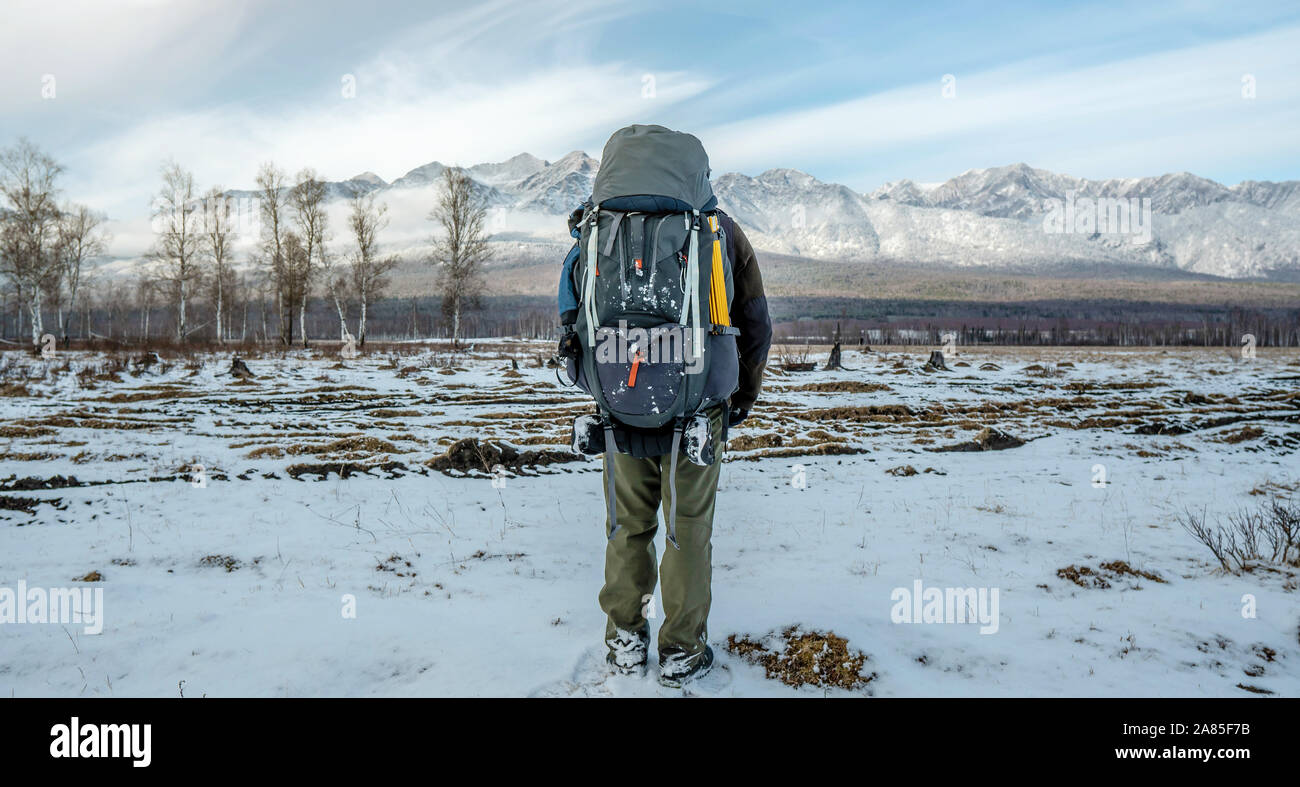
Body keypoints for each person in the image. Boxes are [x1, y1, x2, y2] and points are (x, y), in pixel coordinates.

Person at [557, 147, 772, 686]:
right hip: (699, 408)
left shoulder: (597, 226)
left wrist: (602, 389)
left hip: (620, 403)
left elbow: (571, 314)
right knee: (686, 531)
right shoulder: (716, 229)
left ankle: (625, 643)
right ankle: (681, 652)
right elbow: (756, 323)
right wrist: (740, 398)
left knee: (628, 527)